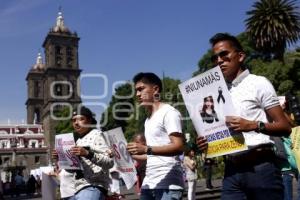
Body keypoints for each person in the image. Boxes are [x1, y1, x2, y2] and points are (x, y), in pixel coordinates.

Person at [196, 33, 291, 200]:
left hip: (261, 168)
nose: (219, 61)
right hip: (231, 171)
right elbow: (219, 132)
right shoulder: (217, 93)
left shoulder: (258, 83)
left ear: (240, 56)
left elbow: (285, 127)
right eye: (215, 57)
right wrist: (206, 143)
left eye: (224, 55)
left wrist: (253, 125)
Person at [127, 72, 185, 200]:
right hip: (149, 184)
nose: (137, 94)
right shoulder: (148, 120)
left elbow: (179, 146)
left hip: (169, 185)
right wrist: (126, 153)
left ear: (155, 89)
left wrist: (146, 149)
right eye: (136, 91)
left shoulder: (169, 113)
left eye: (141, 89)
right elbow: (150, 155)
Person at [54, 106, 114, 200]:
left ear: (89, 120)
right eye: (74, 120)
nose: (76, 123)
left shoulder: (97, 135)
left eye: (81, 119)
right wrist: (61, 157)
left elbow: (110, 162)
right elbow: (72, 169)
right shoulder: (78, 141)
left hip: (93, 186)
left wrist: (87, 153)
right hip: (77, 188)